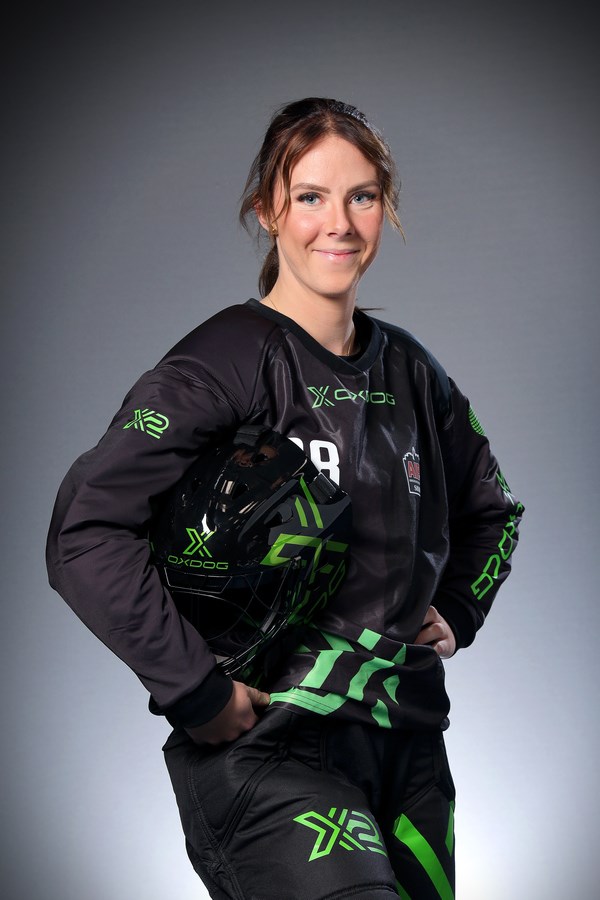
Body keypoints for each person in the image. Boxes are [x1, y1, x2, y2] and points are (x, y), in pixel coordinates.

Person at [46, 97, 523, 899]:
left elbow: (493, 510)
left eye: (361, 196)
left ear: (384, 209)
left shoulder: (413, 371)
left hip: (408, 747)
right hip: (272, 747)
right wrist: (194, 689)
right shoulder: (223, 360)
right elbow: (85, 530)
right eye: (310, 197)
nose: (338, 223)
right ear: (268, 210)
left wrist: (460, 605)